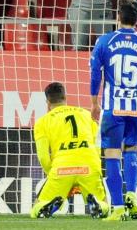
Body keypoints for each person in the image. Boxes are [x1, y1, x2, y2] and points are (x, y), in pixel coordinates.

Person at [89, 0, 137, 222]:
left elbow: (95, 74)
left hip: (113, 107)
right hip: (135, 107)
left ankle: (118, 207)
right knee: (131, 150)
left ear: (118, 17)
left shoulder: (105, 41)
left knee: (111, 154)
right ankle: (132, 196)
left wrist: (94, 102)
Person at [29, 81, 109, 219]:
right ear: (65, 97)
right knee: (104, 205)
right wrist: (94, 167)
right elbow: (97, 145)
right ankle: (98, 206)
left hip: (62, 168)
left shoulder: (42, 122)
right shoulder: (86, 115)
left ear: (47, 102)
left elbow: (43, 156)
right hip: (89, 165)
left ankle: (45, 206)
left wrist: (54, 174)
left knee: (36, 208)